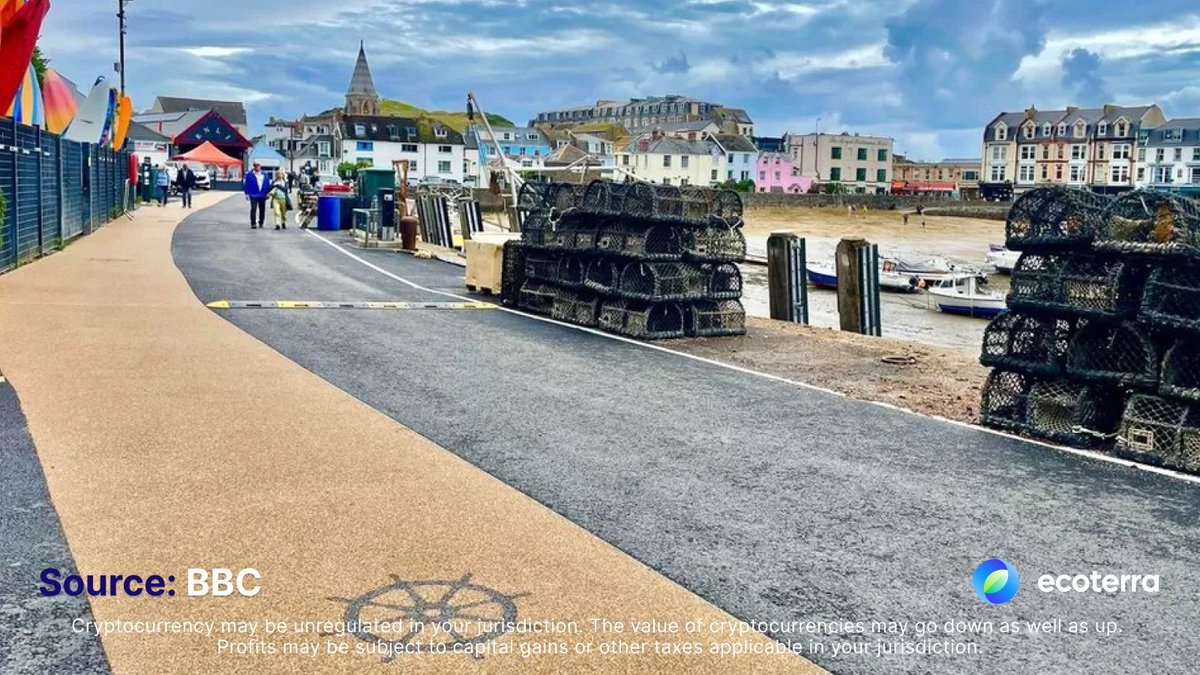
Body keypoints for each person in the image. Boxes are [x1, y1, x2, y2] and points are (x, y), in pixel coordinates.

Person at [244, 162, 271, 229]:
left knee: (262, 209)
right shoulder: (249, 175)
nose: (257, 167)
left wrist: (268, 193)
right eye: (255, 166)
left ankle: (261, 222)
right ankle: (253, 223)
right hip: (253, 194)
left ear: (260, 166)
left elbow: (267, 184)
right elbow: (246, 185)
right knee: (253, 209)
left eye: (258, 165)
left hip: (262, 194)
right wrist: (247, 194)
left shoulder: (265, 174)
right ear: (253, 166)